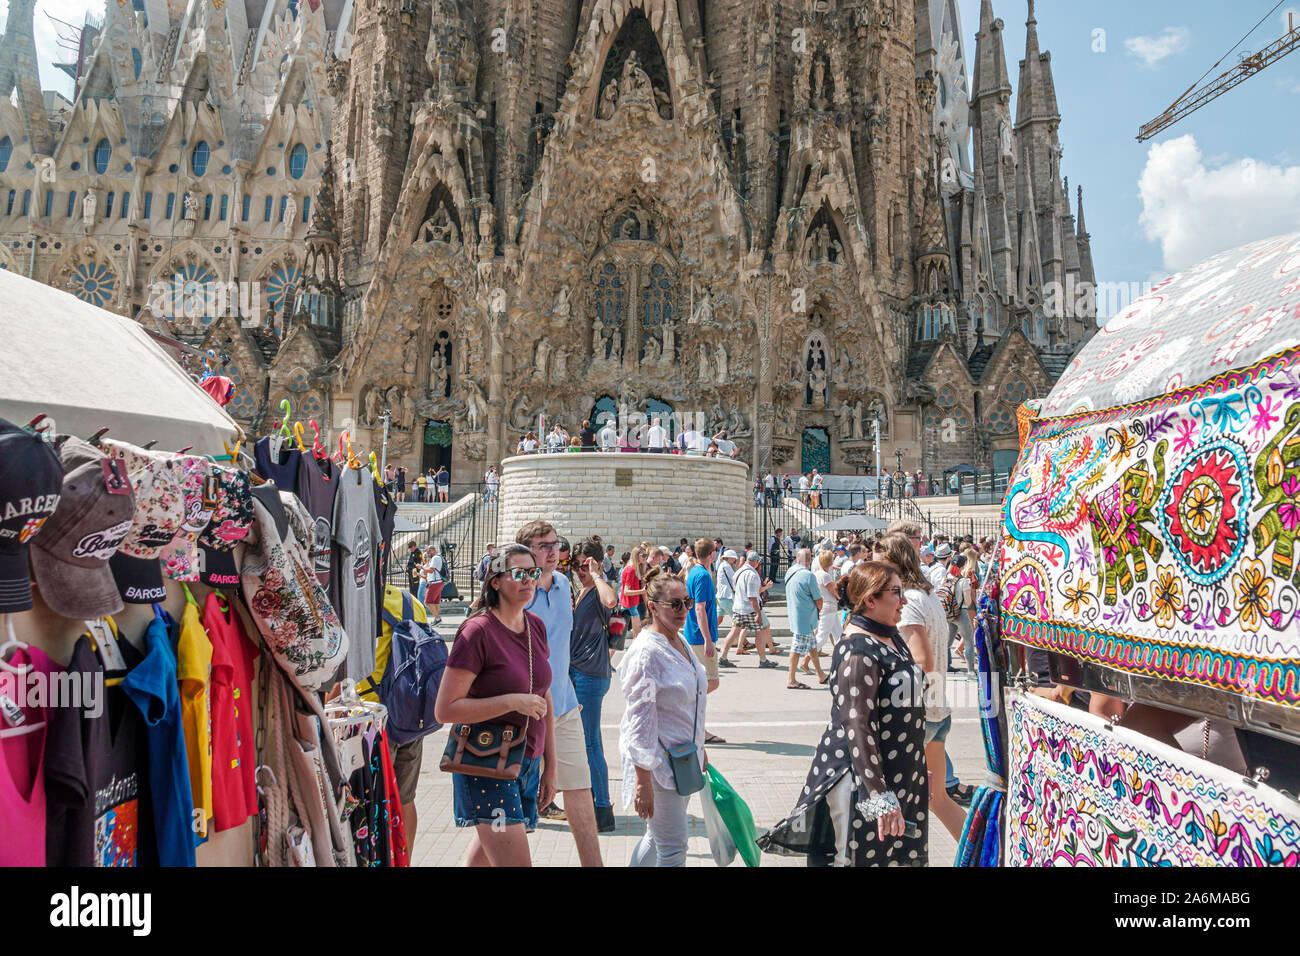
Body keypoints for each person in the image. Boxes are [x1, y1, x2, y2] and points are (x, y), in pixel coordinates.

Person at [759, 561, 928, 866]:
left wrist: (914, 764)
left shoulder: (891, 636)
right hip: (863, 783)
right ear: (870, 600)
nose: (904, 599)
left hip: (898, 776)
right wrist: (879, 797)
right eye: (896, 592)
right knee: (857, 858)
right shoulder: (858, 650)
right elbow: (857, 726)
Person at [434, 544, 556, 867]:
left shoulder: (536, 626)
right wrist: (511, 702)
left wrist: (551, 766)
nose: (529, 580)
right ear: (495, 582)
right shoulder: (477, 632)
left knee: (483, 861)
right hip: (486, 764)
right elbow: (445, 709)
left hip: (526, 761)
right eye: (519, 574)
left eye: (533, 573)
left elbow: (544, 696)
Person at [518, 520, 603, 865]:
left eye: (554, 544)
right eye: (542, 545)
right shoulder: (519, 590)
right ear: (526, 552)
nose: (552, 550)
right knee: (515, 804)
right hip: (526, 709)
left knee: (580, 788)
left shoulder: (565, 583)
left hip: (564, 703)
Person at [618, 568, 709, 867]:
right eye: (676, 604)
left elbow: (691, 701)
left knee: (657, 841)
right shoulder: (647, 653)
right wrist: (642, 779)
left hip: (682, 759)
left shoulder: (679, 641)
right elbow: (639, 721)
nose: (684, 610)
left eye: (687, 601)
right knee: (673, 848)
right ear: (653, 607)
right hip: (657, 764)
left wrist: (700, 745)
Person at [879, 533, 966, 840]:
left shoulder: (909, 602)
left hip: (918, 713)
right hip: (936, 709)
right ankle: (984, 854)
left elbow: (921, 662)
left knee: (883, 801)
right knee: (937, 799)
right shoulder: (924, 595)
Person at [568, 535, 621, 833]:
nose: (580, 570)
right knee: (581, 741)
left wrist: (598, 574)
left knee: (591, 741)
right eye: (576, 565)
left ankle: (603, 808)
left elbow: (612, 601)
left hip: (591, 673)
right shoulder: (581, 589)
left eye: (585, 565)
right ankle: (591, 798)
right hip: (576, 672)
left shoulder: (599, 588)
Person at [684, 539, 727, 744]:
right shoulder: (702, 575)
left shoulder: (695, 571)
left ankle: (692, 718)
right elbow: (700, 608)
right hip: (700, 636)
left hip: (695, 633)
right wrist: (708, 639)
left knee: (703, 682)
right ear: (711, 554)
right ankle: (692, 720)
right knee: (710, 682)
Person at [719, 551, 779, 669]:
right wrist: (758, 613)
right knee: (760, 632)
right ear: (756, 562)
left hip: (738, 607)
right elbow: (752, 596)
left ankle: (723, 657)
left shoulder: (739, 572)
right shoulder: (752, 575)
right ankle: (763, 660)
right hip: (750, 609)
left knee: (734, 631)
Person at [785, 548, 826, 688]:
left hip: (795, 614)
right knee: (796, 648)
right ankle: (791, 680)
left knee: (812, 646)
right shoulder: (809, 576)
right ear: (809, 560)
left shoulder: (790, 572)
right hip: (805, 617)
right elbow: (818, 599)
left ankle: (821, 674)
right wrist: (820, 609)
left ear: (797, 559)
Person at [812, 548, 843, 654]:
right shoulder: (825, 576)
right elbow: (833, 590)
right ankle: (806, 659)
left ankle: (842, 654)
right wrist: (841, 598)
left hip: (826, 606)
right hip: (828, 605)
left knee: (838, 634)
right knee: (822, 636)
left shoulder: (817, 574)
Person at [714, 549, 739, 670]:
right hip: (727, 597)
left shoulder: (722, 565)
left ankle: (711, 641)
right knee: (737, 622)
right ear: (729, 558)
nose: (735, 560)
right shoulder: (727, 566)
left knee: (717, 620)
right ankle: (738, 643)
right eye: (733, 558)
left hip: (720, 596)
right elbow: (734, 579)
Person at [419, 544, 446, 624]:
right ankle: (436, 618)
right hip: (439, 582)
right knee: (436, 602)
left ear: (433, 551)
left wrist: (421, 568)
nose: (428, 554)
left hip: (434, 582)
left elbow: (431, 570)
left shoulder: (435, 558)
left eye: (429, 552)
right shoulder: (439, 557)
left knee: (427, 602)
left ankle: (437, 618)